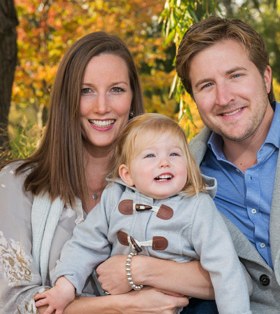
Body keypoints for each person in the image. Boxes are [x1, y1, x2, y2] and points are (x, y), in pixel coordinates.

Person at [0, 32, 213, 314]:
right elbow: (14, 304)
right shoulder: (18, 185)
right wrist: (125, 305)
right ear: (67, 100)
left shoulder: (164, 178)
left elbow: (224, 272)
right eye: (86, 90)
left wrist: (139, 269)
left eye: (116, 89)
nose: (102, 106)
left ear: (133, 98)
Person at [175, 16, 280, 314]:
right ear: (193, 98)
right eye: (206, 85)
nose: (224, 97)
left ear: (266, 78)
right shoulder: (177, 176)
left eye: (235, 76)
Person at [34, 113, 252, 314]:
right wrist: (65, 287)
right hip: (127, 304)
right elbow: (85, 243)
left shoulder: (197, 206)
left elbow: (225, 266)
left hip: (188, 305)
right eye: (150, 155)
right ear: (127, 174)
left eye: (174, 154)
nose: (164, 162)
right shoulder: (114, 198)